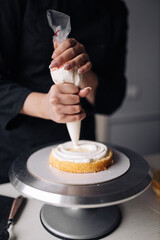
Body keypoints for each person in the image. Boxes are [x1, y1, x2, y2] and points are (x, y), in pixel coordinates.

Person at [0, 0, 128, 183]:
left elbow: (112, 99)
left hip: (85, 153)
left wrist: (81, 74)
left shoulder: (114, 8)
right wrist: (45, 105)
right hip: (18, 150)